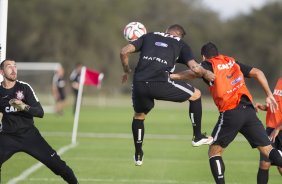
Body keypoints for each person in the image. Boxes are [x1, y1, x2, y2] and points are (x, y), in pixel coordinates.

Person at [170, 42, 282, 184]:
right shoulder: (231, 61)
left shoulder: (208, 64)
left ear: (203, 56)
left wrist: (172, 76)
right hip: (249, 111)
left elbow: (194, 72)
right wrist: (268, 94)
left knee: (214, 152)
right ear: (218, 53)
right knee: (268, 150)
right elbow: (258, 72)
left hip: (231, 112)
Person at [120, 24, 215, 166]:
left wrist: (127, 70)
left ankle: (138, 154)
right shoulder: (181, 44)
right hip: (160, 83)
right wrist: (207, 73)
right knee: (196, 95)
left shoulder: (149, 36)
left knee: (139, 116)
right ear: (180, 35)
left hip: (139, 84)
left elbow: (124, 51)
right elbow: (195, 68)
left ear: (166, 31)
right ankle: (197, 136)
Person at [0, 59, 78, 183]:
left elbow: (40, 112)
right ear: (2, 72)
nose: (13, 69)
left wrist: (24, 107)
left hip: (29, 135)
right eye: (9, 66)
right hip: (8, 136)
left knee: (59, 166)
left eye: (15, 66)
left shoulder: (24, 88)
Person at [256, 77, 282, 184]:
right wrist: (264, 107)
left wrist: (278, 128)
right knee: (264, 163)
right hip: (271, 128)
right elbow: (277, 104)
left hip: (278, 129)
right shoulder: (280, 80)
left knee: (280, 167)